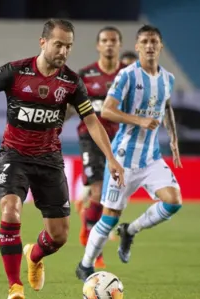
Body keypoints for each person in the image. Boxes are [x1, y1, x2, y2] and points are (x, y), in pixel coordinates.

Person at [0, 19, 125, 299]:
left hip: (49, 161)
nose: (63, 51)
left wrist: (111, 159)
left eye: (68, 46)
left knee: (59, 237)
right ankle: (14, 287)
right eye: (58, 44)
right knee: (10, 211)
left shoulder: (71, 82)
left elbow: (92, 122)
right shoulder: (15, 71)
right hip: (14, 156)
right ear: (43, 42)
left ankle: (34, 254)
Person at [75, 24, 183, 281]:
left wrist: (174, 141)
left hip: (151, 157)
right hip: (123, 158)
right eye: (144, 41)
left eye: (153, 41)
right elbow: (108, 111)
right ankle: (86, 264)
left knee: (173, 201)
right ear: (136, 46)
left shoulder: (168, 78)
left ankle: (130, 231)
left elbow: (166, 107)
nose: (149, 46)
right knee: (109, 216)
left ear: (160, 46)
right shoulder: (126, 76)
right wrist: (139, 120)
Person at [68, 26, 126, 269]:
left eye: (113, 40)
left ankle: (88, 224)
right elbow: (71, 107)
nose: (109, 44)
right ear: (98, 45)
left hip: (121, 140)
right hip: (90, 139)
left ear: (119, 44)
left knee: (111, 197)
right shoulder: (86, 75)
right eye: (105, 40)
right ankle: (94, 248)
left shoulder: (130, 75)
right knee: (98, 190)